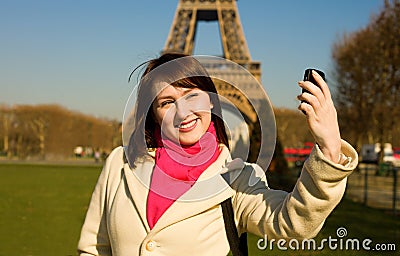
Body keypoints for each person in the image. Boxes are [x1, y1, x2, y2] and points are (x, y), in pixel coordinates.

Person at [77, 53, 358, 255]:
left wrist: (330, 147)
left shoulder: (238, 179)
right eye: (166, 102)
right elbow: (94, 248)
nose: (182, 111)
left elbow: (294, 225)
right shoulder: (119, 164)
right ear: (154, 114)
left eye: (191, 95)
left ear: (211, 99)